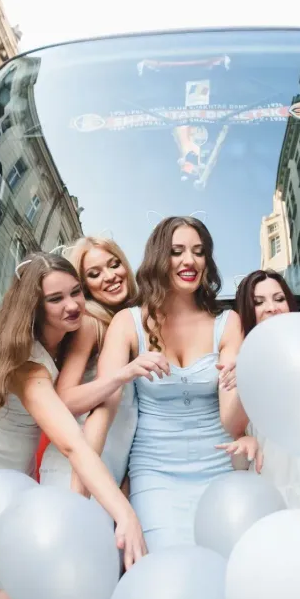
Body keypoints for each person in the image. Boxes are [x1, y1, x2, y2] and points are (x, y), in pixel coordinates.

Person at [0, 253, 147, 599]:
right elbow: (72, 444)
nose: (72, 305)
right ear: (35, 307)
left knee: (15, 590)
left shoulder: (66, 342)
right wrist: (124, 514)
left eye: (76, 292)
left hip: (19, 487)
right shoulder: (27, 363)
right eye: (56, 299)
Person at [97, 215, 253, 551]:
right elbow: (103, 406)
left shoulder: (228, 322)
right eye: (177, 251)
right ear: (158, 258)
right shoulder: (127, 323)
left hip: (219, 467)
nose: (190, 261)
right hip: (155, 474)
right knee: (169, 567)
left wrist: (242, 378)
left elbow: (233, 422)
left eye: (199, 252)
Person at [39, 235, 142, 495]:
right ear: (84, 287)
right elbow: (64, 400)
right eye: (95, 274)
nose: (109, 276)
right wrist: (120, 376)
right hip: (73, 471)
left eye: (114, 264)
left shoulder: (131, 322)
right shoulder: (91, 323)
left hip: (111, 469)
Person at [232, 269, 300, 508]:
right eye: (258, 302)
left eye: (279, 299)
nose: (272, 308)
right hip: (267, 489)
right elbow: (238, 455)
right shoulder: (238, 365)